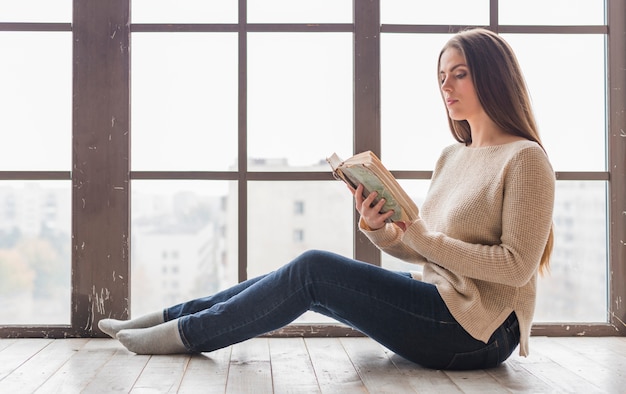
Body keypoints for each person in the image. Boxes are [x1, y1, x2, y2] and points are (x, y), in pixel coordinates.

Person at [98, 28, 555, 370]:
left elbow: (516, 266)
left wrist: (419, 235)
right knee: (299, 275)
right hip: (438, 304)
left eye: (460, 74)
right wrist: (381, 229)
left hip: (481, 332)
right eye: (441, 77)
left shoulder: (525, 159)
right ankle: (168, 319)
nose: (447, 87)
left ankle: (184, 334)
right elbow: (424, 249)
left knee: (314, 268)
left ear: (493, 78)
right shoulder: (452, 156)